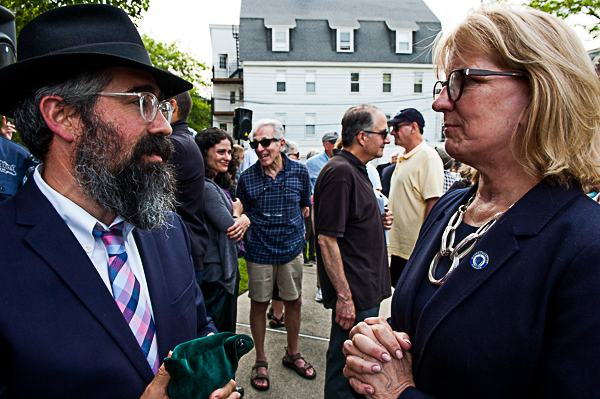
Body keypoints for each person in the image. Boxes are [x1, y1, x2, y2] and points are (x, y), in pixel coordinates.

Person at [343, 5, 600, 398]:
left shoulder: (586, 244)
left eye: (464, 80)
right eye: (444, 84)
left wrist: (400, 394)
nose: (440, 103)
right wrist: (379, 341)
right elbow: (418, 327)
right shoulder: (450, 208)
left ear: (542, 91)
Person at [0, 5, 239, 398]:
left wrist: (213, 383)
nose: (163, 125)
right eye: (141, 101)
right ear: (64, 116)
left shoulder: (166, 227)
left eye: (161, 105)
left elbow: (198, 329)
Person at [314, 104, 393, 399]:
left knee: (357, 364)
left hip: (364, 288)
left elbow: (351, 219)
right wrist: (345, 298)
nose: (387, 138)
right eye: (382, 133)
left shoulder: (358, 170)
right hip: (355, 293)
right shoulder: (340, 172)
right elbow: (327, 239)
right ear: (362, 136)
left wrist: (379, 217)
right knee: (345, 365)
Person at [236, 119, 315, 391]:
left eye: (265, 142)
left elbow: (305, 207)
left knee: (293, 301)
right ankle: (260, 359)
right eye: (254, 143)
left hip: (291, 250)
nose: (259, 148)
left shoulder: (300, 173)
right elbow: (240, 212)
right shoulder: (246, 178)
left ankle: (292, 353)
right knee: (258, 304)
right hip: (259, 252)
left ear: (281, 144)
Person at [195, 128, 250, 333]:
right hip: (216, 273)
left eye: (229, 152)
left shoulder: (213, 184)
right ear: (204, 152)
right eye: (221, 152)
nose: (227, 157)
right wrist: (240, 215)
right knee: (219, 333)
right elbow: (232, 230)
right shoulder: (206, 187)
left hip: (218, 269)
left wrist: (243, 218)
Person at [387, 108, 444, 287]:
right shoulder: (404, 156)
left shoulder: (428, 157)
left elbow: (433, 203)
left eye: (397, 127)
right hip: (398, 246)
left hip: (413, 249)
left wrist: (423, 243)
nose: (392, 132)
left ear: (413, 127)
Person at [167, 90, 209, 285]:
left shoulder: (175, 145)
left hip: (181, 251)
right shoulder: (183, 140)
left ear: (172, 106)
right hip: (185, 248)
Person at [306, 130, 339, 299]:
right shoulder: (312, 163)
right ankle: (322, 287)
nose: (338, 145)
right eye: (335, 142)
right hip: (320, 210)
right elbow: (305, 186)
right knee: (323, 247)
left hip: (340, 209)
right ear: (326, 145)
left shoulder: (344, 160)